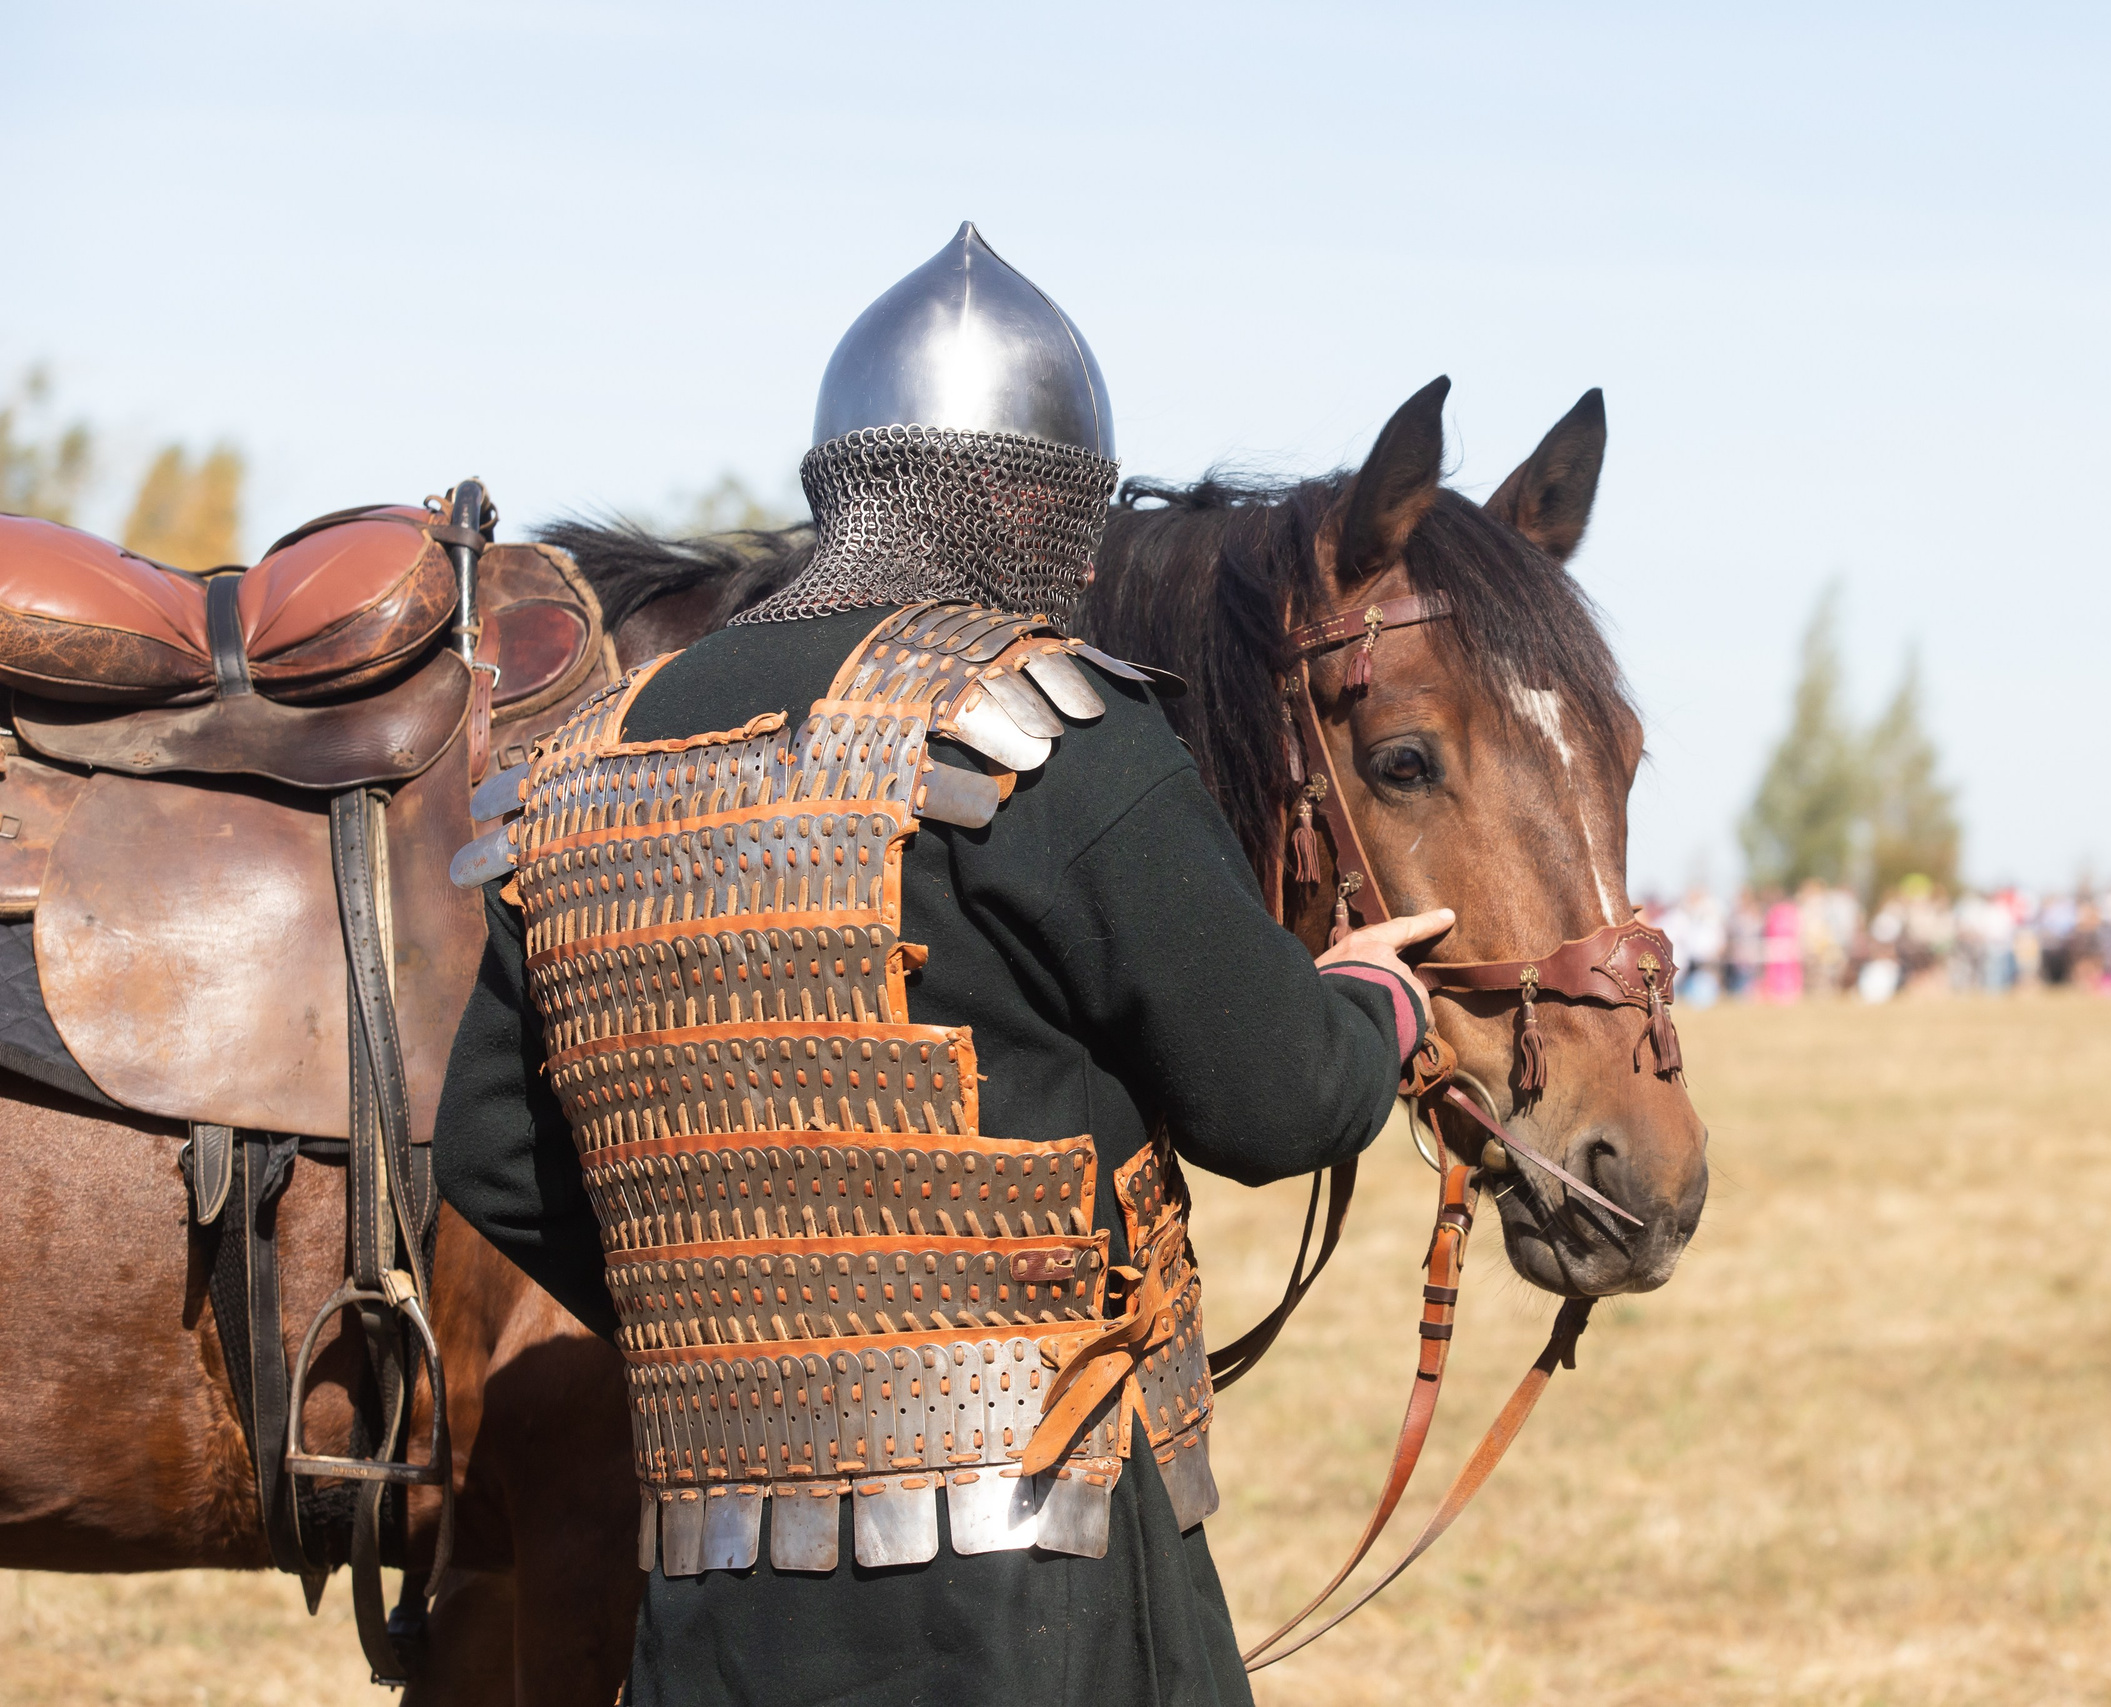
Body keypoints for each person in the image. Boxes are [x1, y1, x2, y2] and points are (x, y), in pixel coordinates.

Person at [435, 224, 1447, 1707]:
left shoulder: (584, 767)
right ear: (1039, 511)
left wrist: (736, 1330)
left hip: (714, 1577)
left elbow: (491, 1151)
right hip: (1040, 1568)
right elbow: (1278, 1102)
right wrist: (1375, 1001)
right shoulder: (1049, 730)